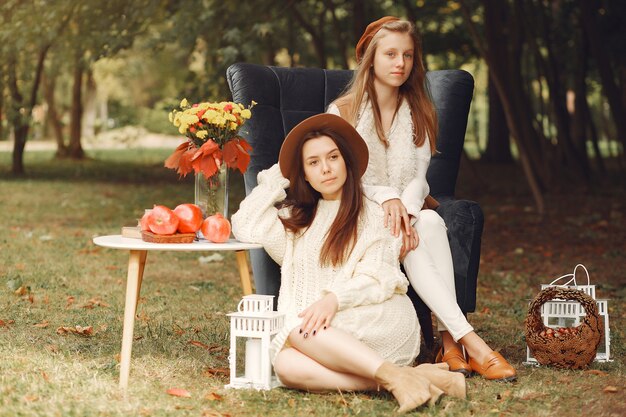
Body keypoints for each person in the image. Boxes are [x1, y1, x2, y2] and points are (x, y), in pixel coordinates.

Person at [232, 113, 465, 413]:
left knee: (295, 328)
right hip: (315, 334)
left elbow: (380, 276)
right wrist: (281, 172)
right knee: (286, 365)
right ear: (303, 174)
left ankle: (397, 374)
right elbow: (245, 223)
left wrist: (334, 299)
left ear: (347, 161)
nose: (326, 169)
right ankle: (401, 380)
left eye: (333, 157)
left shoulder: (376, 213)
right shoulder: (294, 221)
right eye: (313, 163)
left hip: (377, 319)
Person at [327, 16, 516, 382]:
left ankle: (448, 342)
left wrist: (407, 209)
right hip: (359, 212)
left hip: (408, 209)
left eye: (408, 56)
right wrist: (388, 200)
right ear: (370, 57)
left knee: (428, 221)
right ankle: (468, 342)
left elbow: (418, 177)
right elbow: (345, 177)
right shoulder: (343, 112)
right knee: (408, 230)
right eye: (391, 54)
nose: (400, 63)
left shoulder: (419, 110)